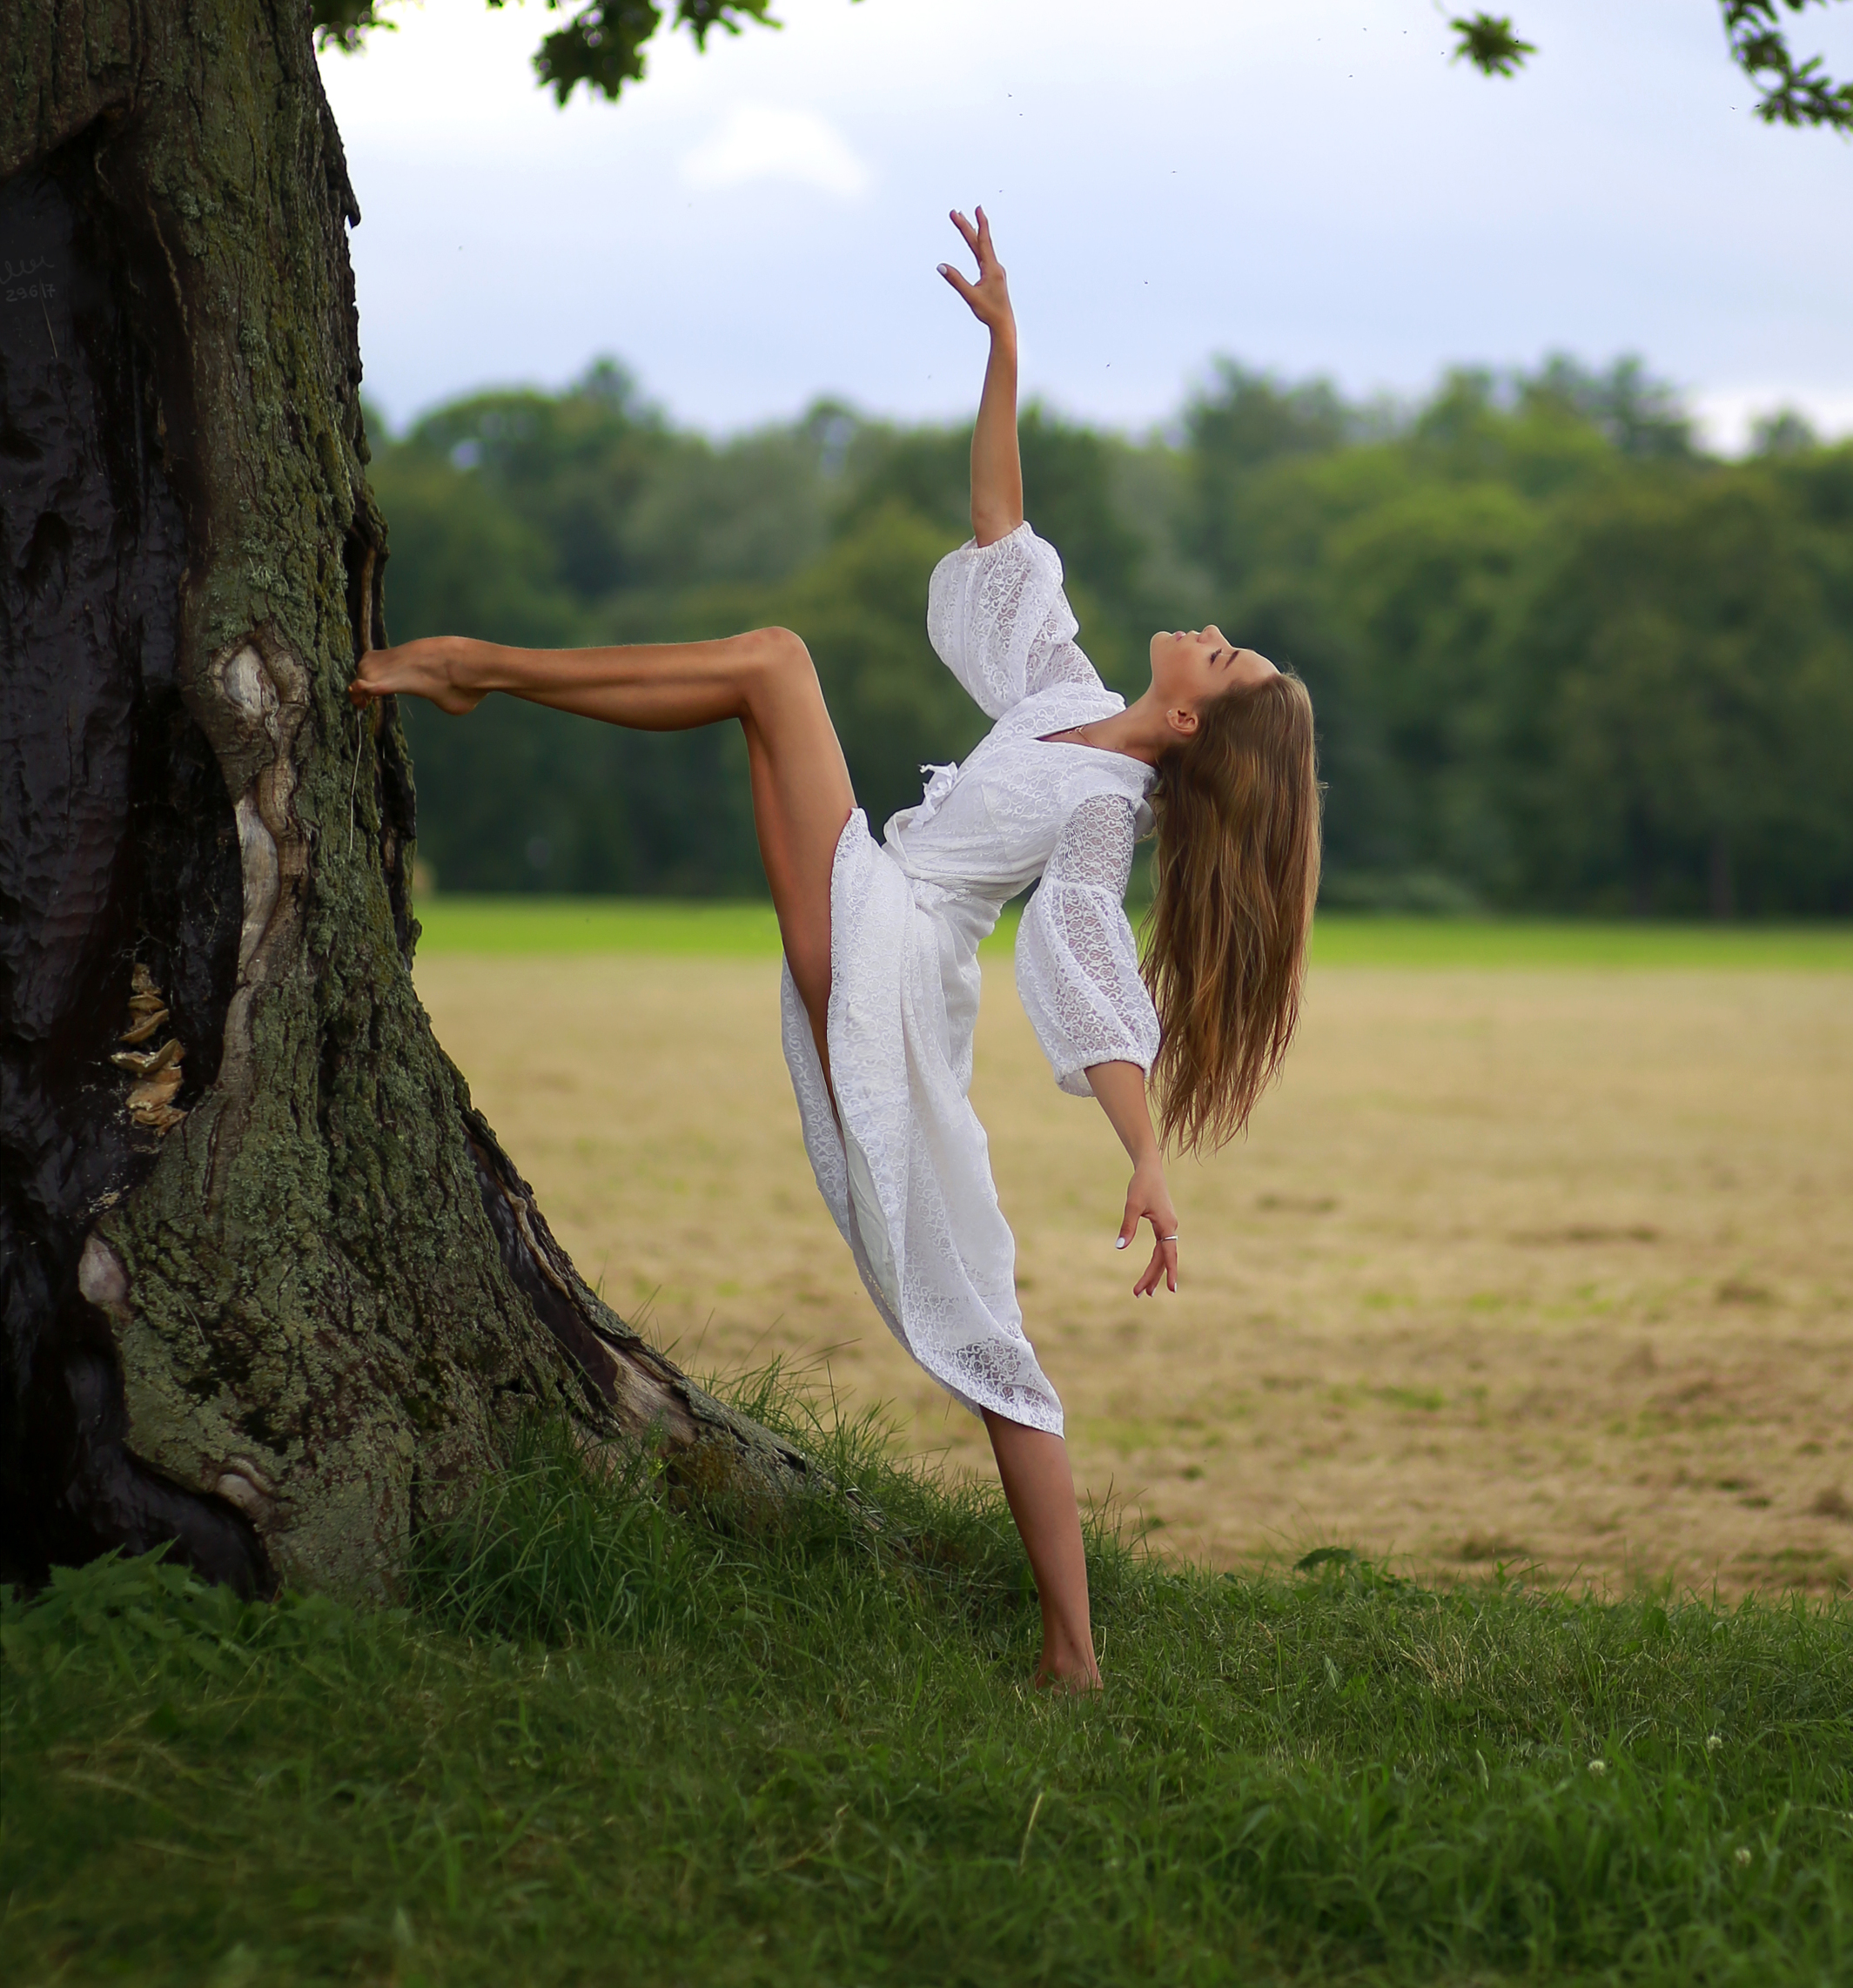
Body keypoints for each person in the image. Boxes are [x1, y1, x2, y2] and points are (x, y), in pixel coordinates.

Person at [351, 211, 1321, 1685]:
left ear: (1191, 722)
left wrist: (1144, 1153)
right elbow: (1003, 524)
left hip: (892, 951)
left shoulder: (1101, 809)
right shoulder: (1058, 690)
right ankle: (1072, 1653)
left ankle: (473, 670)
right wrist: (1005, 349)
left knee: (772, 664)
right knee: (764, 674)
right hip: (876, 892)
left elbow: (1079, 968)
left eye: (1226, 653)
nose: (1209, 628)